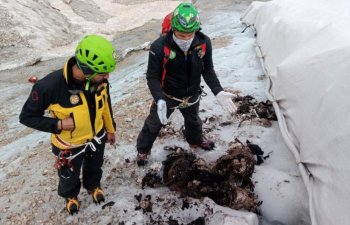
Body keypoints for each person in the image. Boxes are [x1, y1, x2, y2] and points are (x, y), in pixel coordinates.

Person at [19, 35, 117, 214]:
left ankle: (93, 186)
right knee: (68, 176)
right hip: (69, 146)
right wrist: (59, 124)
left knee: (95, 166)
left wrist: (110, 129)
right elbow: (27, 117)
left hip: (97, 137)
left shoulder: (100, 81)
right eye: (103, 73)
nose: (107, 77)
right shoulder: (49, 87)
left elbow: (105, 105)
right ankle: (70, 195)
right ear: (87, 69)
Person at [136, 2, 237, 166]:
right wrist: (159, 99)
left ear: (196, 29)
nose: (186, 38)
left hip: (191, 94)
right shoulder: (159, 47)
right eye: (181, 34)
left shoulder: (204, 43)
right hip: (167, 95)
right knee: (153, 124)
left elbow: (208, 69)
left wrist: (218, 91)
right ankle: (143, 151)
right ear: (173, 29)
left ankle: (195, 141)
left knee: (194, 121)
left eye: (190, 34)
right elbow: (152, 76)